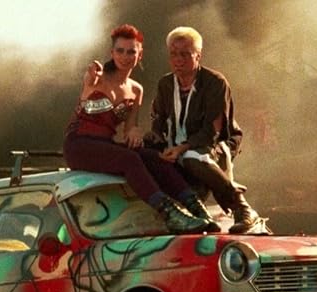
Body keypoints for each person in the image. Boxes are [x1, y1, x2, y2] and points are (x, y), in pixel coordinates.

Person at [63, 24, 218, 234]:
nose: (125, 57)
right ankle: (171, 215)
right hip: (79, 145)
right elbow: (87, 85)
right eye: (120, 51)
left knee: (155, 158)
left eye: (131, 52)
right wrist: (89, 78)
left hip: (106, 145)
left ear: (140, 55)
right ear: (112, 53)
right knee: (129, 159)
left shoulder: (136, 90)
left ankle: (198, 210)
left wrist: (134, 132)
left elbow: (130, 130)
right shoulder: (96, 78)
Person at [148, 26, 263, 234]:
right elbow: (158, 119)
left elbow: (212, 131)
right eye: (174, 54)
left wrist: (182, 148)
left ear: (198, 56)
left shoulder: (215, 82)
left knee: (193, 157)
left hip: (214, 144)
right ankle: (194, 214)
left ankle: (242, 207)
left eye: (185, 54)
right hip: (178, 146)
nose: (178, 60)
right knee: (147, 154)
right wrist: (156, 139)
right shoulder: (165, 84)